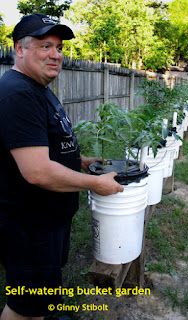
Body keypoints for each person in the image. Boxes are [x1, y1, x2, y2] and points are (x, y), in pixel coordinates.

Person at [0, 13, 123, 320]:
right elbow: (37, 171)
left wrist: (77, 160)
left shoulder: (37, 88)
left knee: (43, 293)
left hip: (47, 220)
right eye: (45, 46)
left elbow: (40, 147)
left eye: (59, 47)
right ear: (20, 49)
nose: (56, 54)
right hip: (28, 225)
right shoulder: (18, 94)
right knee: (24, 305)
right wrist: (96, 183)